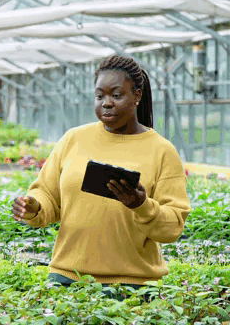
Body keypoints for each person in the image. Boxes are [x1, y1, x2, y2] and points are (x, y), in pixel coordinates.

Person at [11, 55, 191, 299]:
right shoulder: (73, 139)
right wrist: (33, 206)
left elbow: (173, 227)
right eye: (100, 96)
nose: (107, 103)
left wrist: (141, 205)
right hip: (66, 280)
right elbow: (46, 194)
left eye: (117, 95)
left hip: (133, 287)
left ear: (137, 95)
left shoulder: (161, 150)